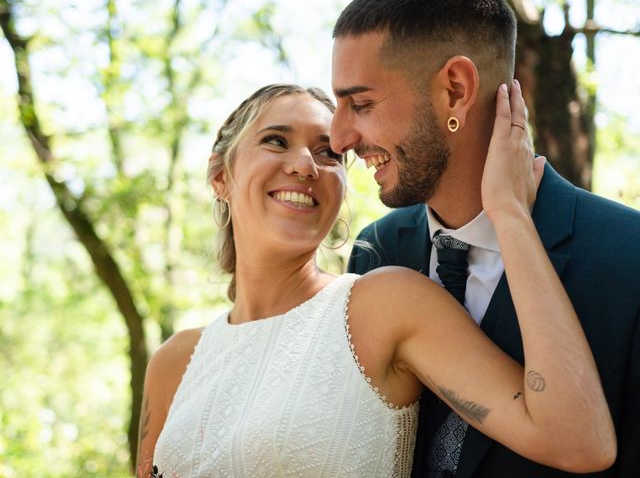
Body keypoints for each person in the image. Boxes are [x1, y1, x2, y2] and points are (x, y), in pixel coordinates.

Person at [135, 83, 615, 478]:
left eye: (328, 154)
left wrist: (509, 212)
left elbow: (579, 442)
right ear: (221, 176)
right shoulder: (173, 363)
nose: (306, 165)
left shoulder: (383, 306)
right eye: (276, 140)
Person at [331, 0, 640, 477]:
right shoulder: (377, 252)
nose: (338, 138)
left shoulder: (629, 255)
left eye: (362, 104)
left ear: (455, 90)